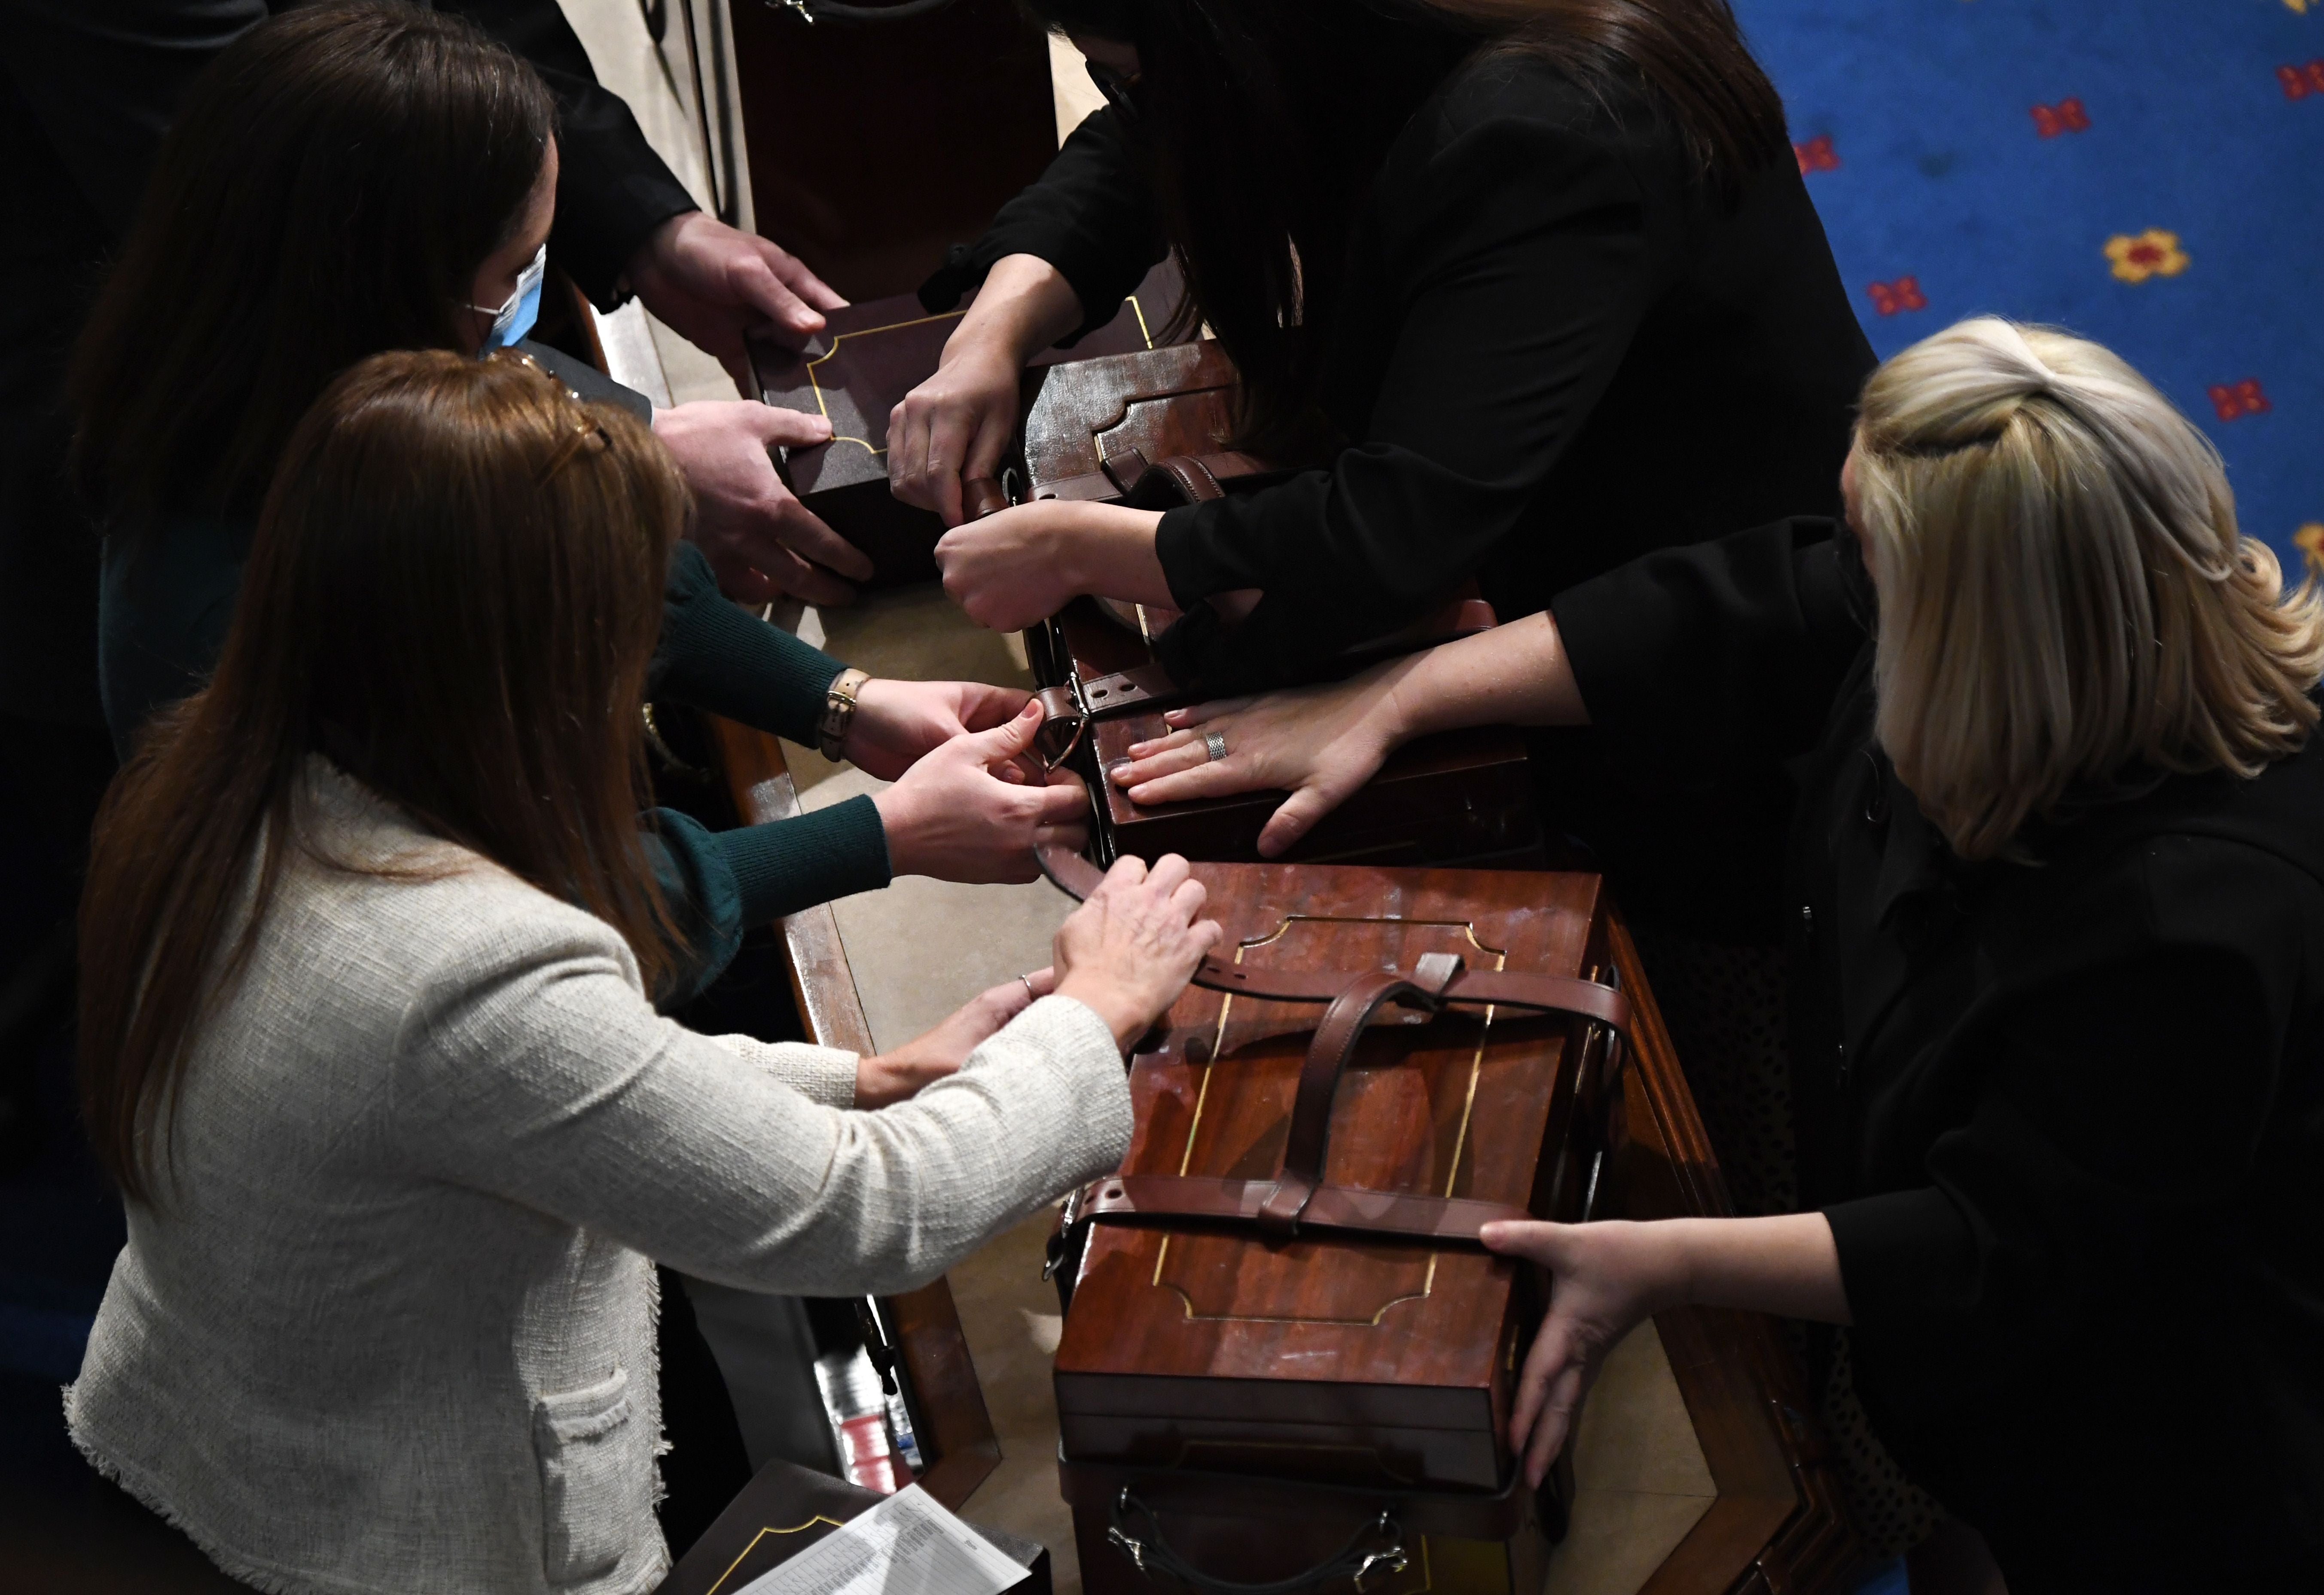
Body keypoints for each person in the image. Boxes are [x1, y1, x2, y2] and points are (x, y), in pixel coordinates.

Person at [1104, 319, 2324, 1591]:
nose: (1848, 574)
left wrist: (1667, 1262)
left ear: (1982, 635)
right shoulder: (2062, 623)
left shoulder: (2197, 933)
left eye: (1875, 560)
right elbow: (1739, 611)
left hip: (2172, 1462)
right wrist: (1401, 700)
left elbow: (1989, 1248)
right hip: (1987, 1349)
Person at [64, 348, 1222, 1595]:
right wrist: (1100, 1005)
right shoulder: (465, 965)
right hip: (387, 1545)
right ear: (529, 665)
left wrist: (868, 1075)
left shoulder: (235, 779)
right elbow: (870, 1213)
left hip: (225, 1461)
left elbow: (535, 1102)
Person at [68, 2, 1084, 1002]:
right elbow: (535, 932)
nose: (531, 322)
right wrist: (885, 835)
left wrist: (849, 704)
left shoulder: (309, 384)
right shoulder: (291, 587)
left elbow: (636, 584)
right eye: (514, 275)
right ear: (394, 292)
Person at [894, 0, 1877, 940]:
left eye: (1125, 69)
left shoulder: (1546, 128)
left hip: (1734, 686)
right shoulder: (1349, 24)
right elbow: (1151, 140)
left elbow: (1398, 526)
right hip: (1578, 568)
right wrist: (996, 324)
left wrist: (1095, 546)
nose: (1129, 99)